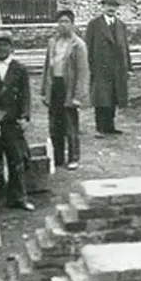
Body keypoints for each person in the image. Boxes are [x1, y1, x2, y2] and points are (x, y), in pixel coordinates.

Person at [0, 32, 35, 211]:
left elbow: (26, 95)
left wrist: (25, 116)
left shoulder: (20, 69)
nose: (1, 49)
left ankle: (18, 197)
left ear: (11, 48)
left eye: (5, 45)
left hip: (12, 121)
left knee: (16, 160)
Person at [41, 10, 89, 171]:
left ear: (73, 24)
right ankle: (58, 157)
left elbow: (83, 73)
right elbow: (47, 67)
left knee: (70, 125)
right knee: (55, 125)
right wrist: (44, 91)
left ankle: (74, 158)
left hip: (69, 88)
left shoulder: (78, 45)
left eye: (66, 22)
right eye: (60, 22)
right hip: (55, 86)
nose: (62, 25)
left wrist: (78, 97)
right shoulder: (53, 43)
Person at [85, 0, 132, 138]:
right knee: (101, 99)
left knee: (113, 98)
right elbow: (88, 47)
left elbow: (126, 48)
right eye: (108, 5)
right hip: (100, 68)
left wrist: (129, 67)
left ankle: (110, 126)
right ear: (103, 7)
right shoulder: (94, 25)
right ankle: (100, 127)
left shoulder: (121, 26)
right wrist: (90, 67)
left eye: (114, 6)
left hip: (117, 69)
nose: (111, 9)